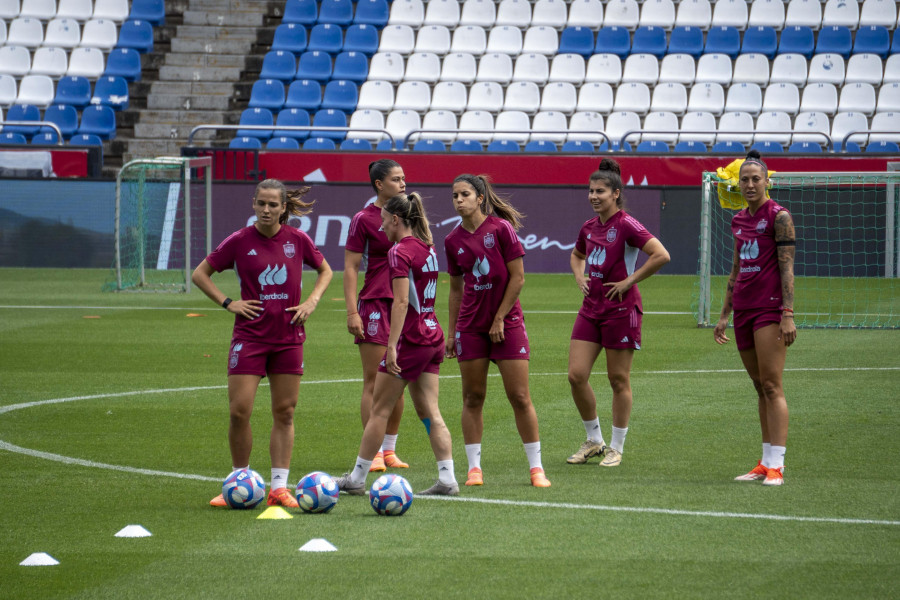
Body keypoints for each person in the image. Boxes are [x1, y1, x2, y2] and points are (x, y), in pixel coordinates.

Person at [193, 179, 333, 508]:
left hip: (288, 338)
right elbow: (200, 273)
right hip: (250, 337)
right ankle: (238, 481)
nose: (266, 210)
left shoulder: (297, 240)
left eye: (273, 204)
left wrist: (311, 301)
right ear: (253, 204)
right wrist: (229, 303)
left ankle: (279, 488)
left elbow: (325, 271)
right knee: (239, 410)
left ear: (284, 208)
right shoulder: (239, 241)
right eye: (261, 204)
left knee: (285, 412)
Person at [335, 193, 458, 496]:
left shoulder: (398, 252)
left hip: (412, 339)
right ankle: (447, 478)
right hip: (432, 334)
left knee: (379, 409)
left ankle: (357, 477)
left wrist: (391, 347)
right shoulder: (427, 247)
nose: (380, 227)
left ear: (394, 219)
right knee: (430, 411)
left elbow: (401, 302)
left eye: (383, 221)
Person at [444, 174, 551, 488]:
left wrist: (500, 318)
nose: (458, 200)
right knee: (472, 397)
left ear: (479, 198)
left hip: (507, 324)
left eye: (464, 194)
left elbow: (518, 278)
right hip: (470, 328)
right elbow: (455, 290)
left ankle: (536, 469)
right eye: (454, 196)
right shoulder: (452, 240)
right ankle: (474, 469)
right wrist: (451, 333)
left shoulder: (500, 229)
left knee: (519, 397)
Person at [566, 159, 670, 468]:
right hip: (591, 309)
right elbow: (576, 255)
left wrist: (629, 280)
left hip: (622, 310)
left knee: (617, 379)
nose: (594, 196)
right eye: (591, 191)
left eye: (600, 191)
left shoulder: (626, 224)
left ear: (616, 193)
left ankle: (617, 447)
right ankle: (594, 440)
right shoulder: (589, 227)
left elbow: (661, 254)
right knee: (576, 375)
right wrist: (579, 276)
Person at [714, 150, 796, 487]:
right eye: (744, 179)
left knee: (773, 385)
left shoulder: (779, 217)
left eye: (755, 179)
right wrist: (723, 315)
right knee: (759, 386)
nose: (749, 184)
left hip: (769, 309)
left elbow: (787, 266)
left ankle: (777, 464)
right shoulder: (738, 219)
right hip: (743, 310)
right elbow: (736, 269)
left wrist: (787, 313)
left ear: (766, 182)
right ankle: (765, 462)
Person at [344, 159, 410, 472]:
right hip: (374, 304)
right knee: (374, 380)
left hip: (405, 305)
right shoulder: (363, 219)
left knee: (398, 378)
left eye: (404, 178)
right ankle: (375, 454)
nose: (403, 184)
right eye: (396, 179)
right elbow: (351, 267)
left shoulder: (412, 215)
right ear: (379, 184)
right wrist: (352, 312)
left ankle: (390, 450)